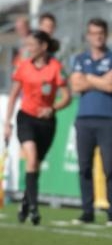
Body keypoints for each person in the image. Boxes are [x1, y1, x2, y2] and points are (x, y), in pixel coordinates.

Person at [4, 30, 71, 225]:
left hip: (47, 122)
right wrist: (7, 123)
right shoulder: (24, 67)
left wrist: (52, 108)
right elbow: (14, 95)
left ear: (43, 47)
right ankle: (34, 208)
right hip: (26, 118)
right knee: (31, 159)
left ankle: (26, 202)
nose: (29, 49)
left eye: (32, 45)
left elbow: (66, 97)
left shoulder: (56, 68)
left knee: (36, 166)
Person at [69, 18, 112, 226]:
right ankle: (87, 211)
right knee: (84, 167)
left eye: (101, 32)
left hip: (108, 119)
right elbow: (76, 84)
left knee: (109, 166)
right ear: (88, 36)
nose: (97, 36)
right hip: (84, 119)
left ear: (106, 34)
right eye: (93, 33)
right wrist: (100, 79)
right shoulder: (79, 59)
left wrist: (89, 79)